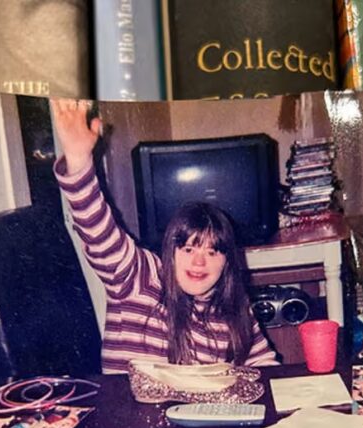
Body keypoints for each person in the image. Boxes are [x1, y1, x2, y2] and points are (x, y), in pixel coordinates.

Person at [51, 99, 278, 374]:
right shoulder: (140, 278)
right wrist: (78, 162)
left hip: (202, 415)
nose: (199, 262)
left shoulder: (235, 310)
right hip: (129, 413)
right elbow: (98, 232)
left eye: (212, 252)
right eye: (188, 249)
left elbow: (265, 367)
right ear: (170, 251)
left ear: (228, 261)